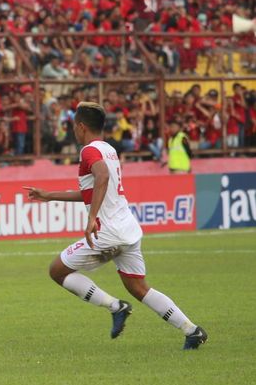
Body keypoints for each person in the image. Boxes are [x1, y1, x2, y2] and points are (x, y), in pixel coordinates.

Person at [24, 103, 207, 350]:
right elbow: (92, 190)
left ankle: (115, 306)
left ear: (81, 127)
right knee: (139, 287)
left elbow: (102, 177)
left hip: (107, 231)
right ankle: (192, 330)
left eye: (73, 127)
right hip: (128, 228)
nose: (73, 132)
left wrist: (92, 218)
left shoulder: (88, 151)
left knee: (57, 271)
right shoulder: (108, 149)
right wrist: (49, 195)